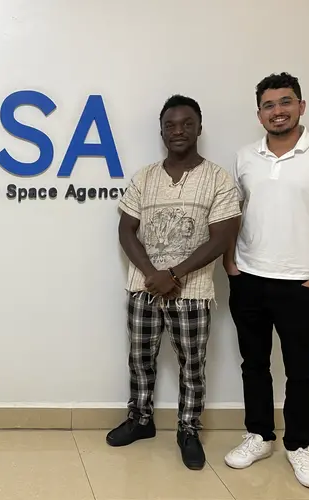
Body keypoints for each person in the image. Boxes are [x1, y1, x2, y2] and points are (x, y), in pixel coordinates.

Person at [223, 73, 309, 489]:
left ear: (301, 106)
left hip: (301, 283)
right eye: (268, 105)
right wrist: (230, 262)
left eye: (285, 102)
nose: (277, 110)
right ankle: (260, 435)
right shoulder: (245, 156)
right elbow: (233, 213)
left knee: (301, 370)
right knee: (254, 364)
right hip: (248, 278)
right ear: (259, 113)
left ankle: (298, 445)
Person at [106, 95, 241, 470]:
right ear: (161, 130)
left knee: (192, 365)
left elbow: (222, 236)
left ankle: (188, 429)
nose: (178, 131)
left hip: (193, 293)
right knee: (140, 360)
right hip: (144, 289)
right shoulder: (145, 177)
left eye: (186, 124)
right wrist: (153, 274)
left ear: (199, 127)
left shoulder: (217, 179)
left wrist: (175, 274)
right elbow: (126, 229)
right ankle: (141, 420)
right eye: (170, 125)